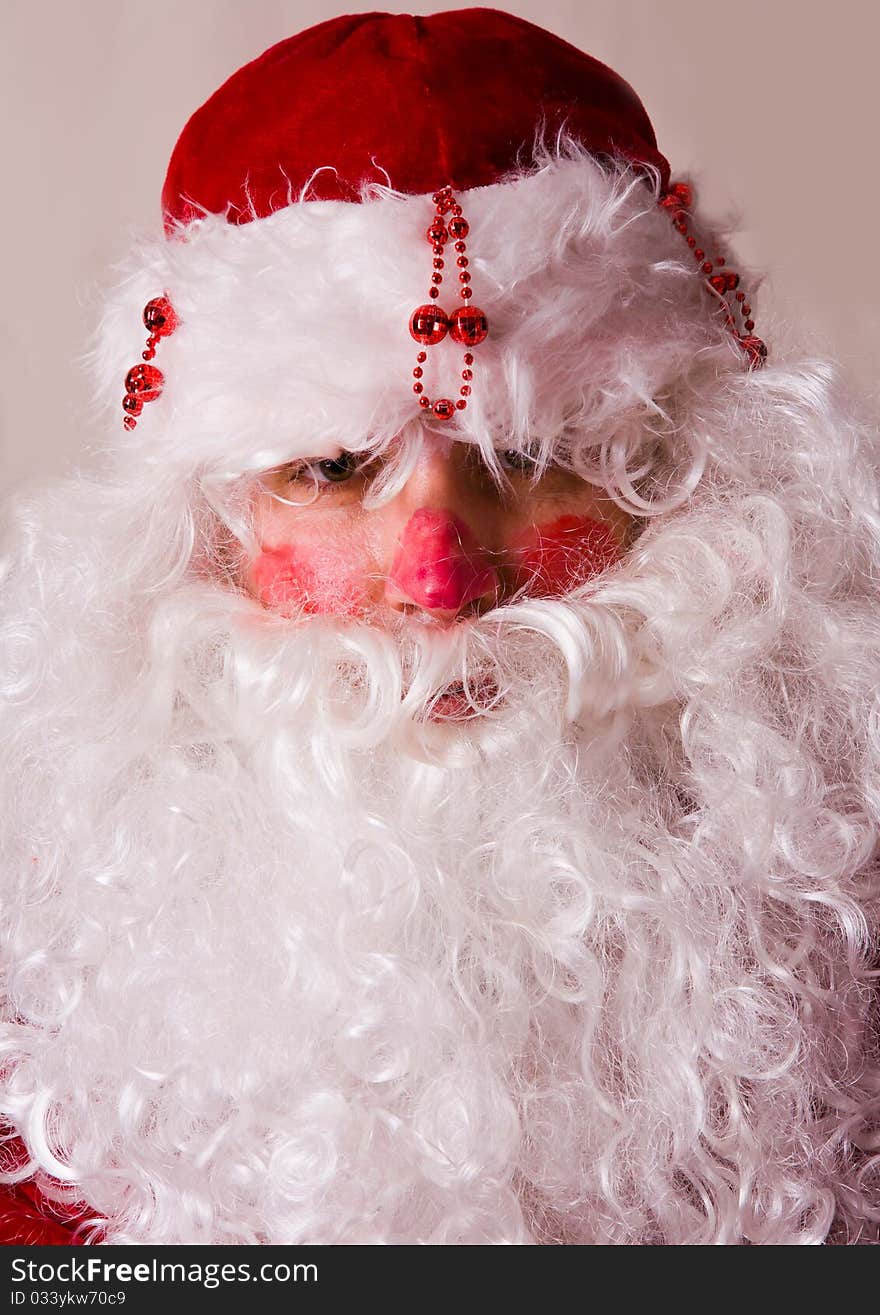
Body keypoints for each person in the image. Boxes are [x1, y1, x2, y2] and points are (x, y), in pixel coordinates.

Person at [1, 8, 878, 1246]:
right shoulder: (49, 999)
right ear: (205, 534)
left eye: (525, 458)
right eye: (331, 469)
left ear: (694, 488)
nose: (437, 575)